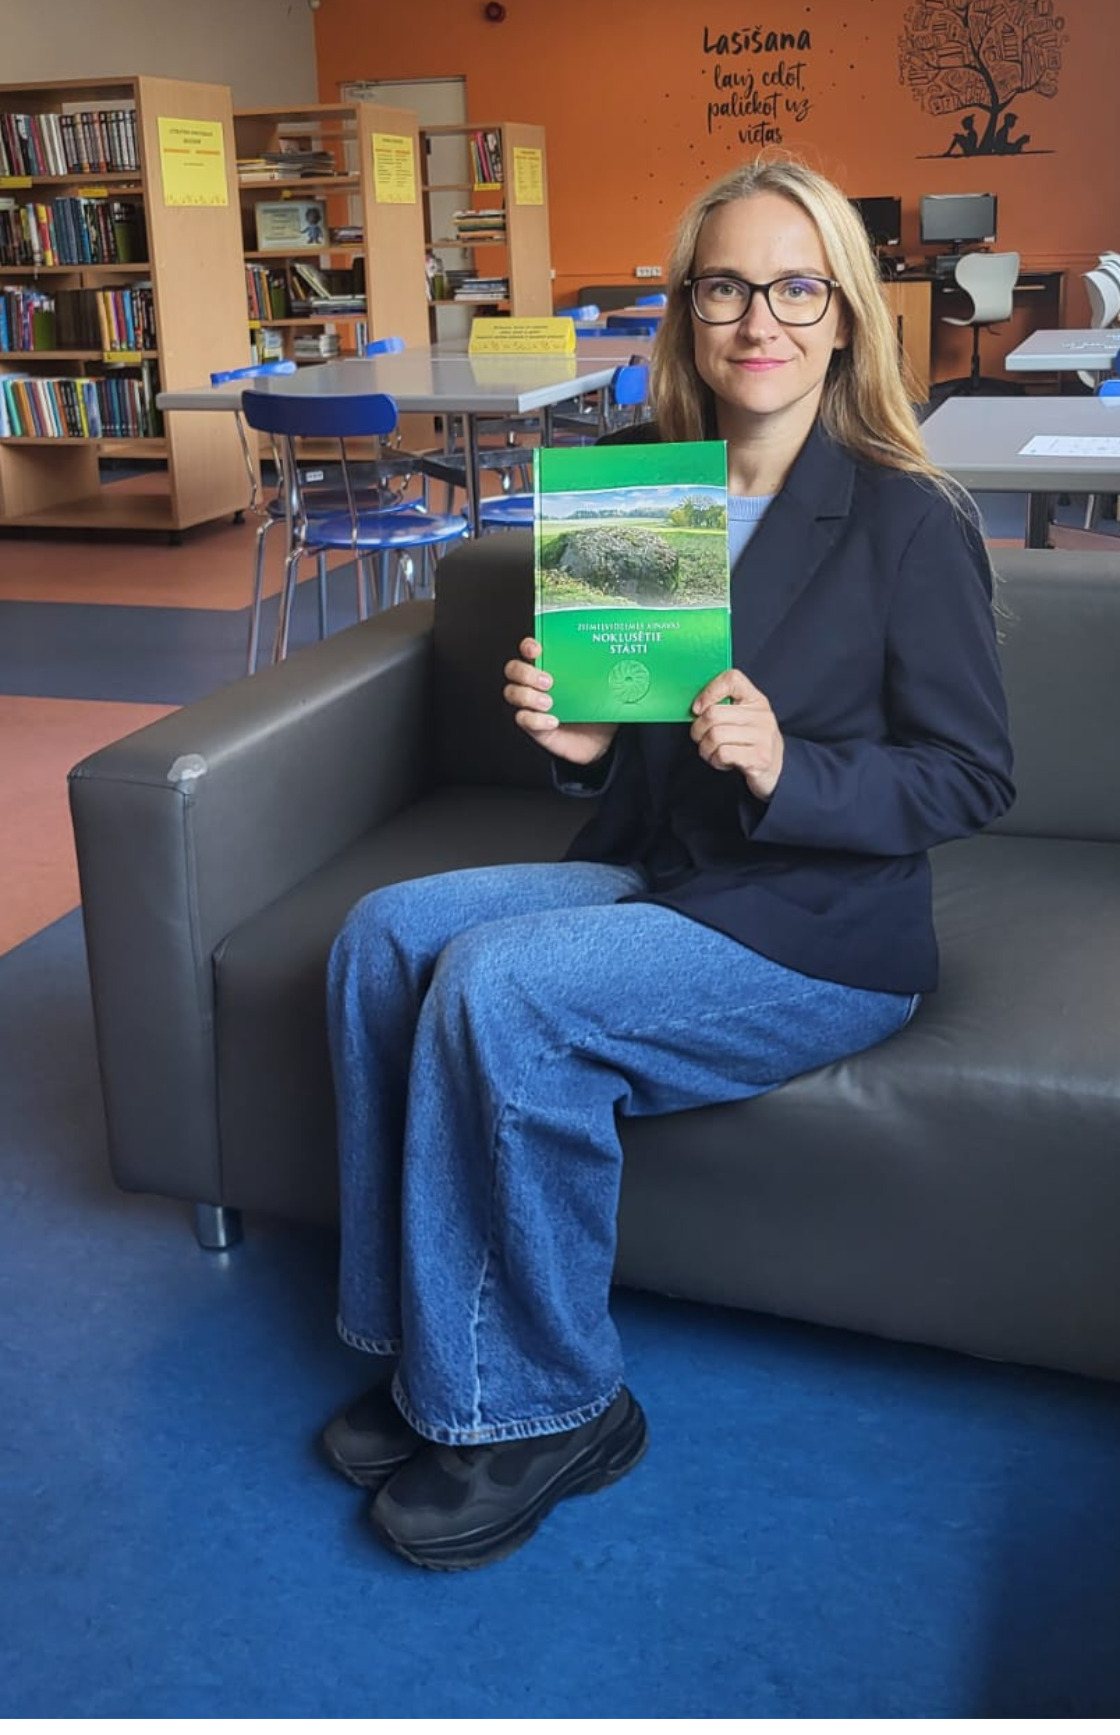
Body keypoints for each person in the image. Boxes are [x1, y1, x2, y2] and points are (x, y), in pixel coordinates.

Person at [320, 159, 1015, 1571]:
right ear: (687, 311)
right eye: (725, 287)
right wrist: (580, 747)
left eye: (795, 287)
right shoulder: (644, 486)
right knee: (383, 937)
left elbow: (970, 775)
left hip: (818, 926)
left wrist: (788, 765)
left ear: (843, 313)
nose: (759, 320)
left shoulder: (907, 515)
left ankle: (554, 1406)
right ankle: (432, 1351)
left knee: (504, 990)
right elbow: (625, 750)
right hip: (666, 876)